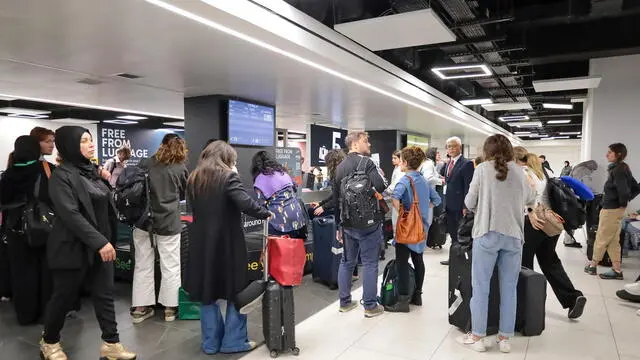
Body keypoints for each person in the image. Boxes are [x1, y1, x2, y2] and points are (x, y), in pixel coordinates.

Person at [41, 126, 135, 360]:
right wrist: (99, 242)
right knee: (64, 297)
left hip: (101, 245)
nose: (91, 144)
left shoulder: (92, 172)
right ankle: (49, 341)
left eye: (90, 140)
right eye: (84, 140)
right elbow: (71, 214)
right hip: (72, 247)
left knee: (104, 295)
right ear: (71, 145)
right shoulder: (61, 176)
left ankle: (111, 343)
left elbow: (103, 206)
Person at [185, 141, 271, 355]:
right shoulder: (228, 177)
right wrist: (265, 213)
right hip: (228, 244)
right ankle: (233, 340)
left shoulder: (194, 178)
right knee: (236, 290)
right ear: (226, 159)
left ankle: (210, 343)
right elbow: (245, 203)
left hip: (202, 245)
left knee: (208, 292)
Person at [461, 134, 536, 353]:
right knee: (509, 288)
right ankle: (504, 338)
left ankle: (477, 336)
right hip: (513, 235)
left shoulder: (482, 170)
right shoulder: (520, 172)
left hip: (487, 232)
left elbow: (469, 201)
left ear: (488, 150)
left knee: (481, 287)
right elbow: (531, 198)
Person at [514, 147, 587, 319]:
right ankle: (572, 297)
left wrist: (528, 211)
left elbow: (527, 197)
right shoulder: (541, 172)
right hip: (551, 222)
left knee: (524, 265)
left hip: (532, 221)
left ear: (515, 160)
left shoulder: (522, 173)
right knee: (550, 262)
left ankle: (526, 307)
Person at [131, 134, 188, 323]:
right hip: (169, 222)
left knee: (143, 264)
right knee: (170, 265)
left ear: (161, 145)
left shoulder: (145, 163)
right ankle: (170, 309)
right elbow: (182, 194)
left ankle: (141, 308)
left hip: (143, 222)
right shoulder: (180, 168)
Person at [0, 136, 54, 325]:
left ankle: (25, 314)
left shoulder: (8, 173)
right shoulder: (45, 169)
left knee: (21, 273)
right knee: (45, 271)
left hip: (15, 229)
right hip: (42, 227)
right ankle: (44, 312)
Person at [332, 131, 387, 318]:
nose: (369, 145)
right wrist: (370, 192)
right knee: (371, 263)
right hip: (369, 223)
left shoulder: (339, 168)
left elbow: (335, 199)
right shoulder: (367, 163)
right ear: (355, 144)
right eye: (366, 141)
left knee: (346, 262)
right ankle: (370, 306)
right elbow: (381, 186)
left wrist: (338, 226)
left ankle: (345, 302)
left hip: (347, 223)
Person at [385, 146, 441, 312]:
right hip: (421, 228)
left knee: (402, 262)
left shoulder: (404, 179)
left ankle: (402, 301)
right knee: (418, 260)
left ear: (405, 162)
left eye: (401, 160)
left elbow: (395, 197)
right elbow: (436, 200)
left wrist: (403, 213)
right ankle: (417, 296)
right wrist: (422, 209)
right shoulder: (423, 180)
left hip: (406, 229)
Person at [585, 143, 636, 280]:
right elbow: (636, 187)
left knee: (601, 237)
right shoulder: (620, 168)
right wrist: (623, 204)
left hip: (612, 210)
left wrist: (621, 204)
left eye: (610, 152)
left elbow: (624, 191)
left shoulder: (618, 169)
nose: (607, 154)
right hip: (613, 209)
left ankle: (593, 265)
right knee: (613, 240)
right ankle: (617, 270)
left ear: (618, 154)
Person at [252, 150, 306, 239]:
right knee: (294, 249)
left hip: (279, 223)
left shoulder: (260, 179)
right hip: (297, 217)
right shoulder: (283, 173)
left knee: (278, 250)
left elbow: (260, 204)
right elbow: (295, 188)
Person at [439, 136, 474, 265]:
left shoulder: (467, 164)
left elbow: (468, 186)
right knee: (452, 233)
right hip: (449, 204)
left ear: (460, 147)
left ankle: (461, 259)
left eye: (453, 146)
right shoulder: (449, 163)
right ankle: (453, 258)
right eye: (448, 146)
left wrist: (466, 206)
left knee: (461, 234)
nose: (451, 149)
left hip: (460, 205)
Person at [310, 149, 345, 217]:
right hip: (340, 208)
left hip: (342, 210)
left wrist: (324, 207)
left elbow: (339, 197)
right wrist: (320, 204)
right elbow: (335, 194)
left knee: (312, 212)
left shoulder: (339, 174)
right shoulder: (341, 172)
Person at [387, 150, 405, 233]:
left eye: (395, 158)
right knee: (395, 220)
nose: (392, 160)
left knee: (397, 220)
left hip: (399, 198)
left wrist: (386, 191)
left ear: (400, 159)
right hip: (396, 197)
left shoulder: (401, 170)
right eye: (392, 158)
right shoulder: (397, 168)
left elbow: (395, 185)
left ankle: (398, 239)